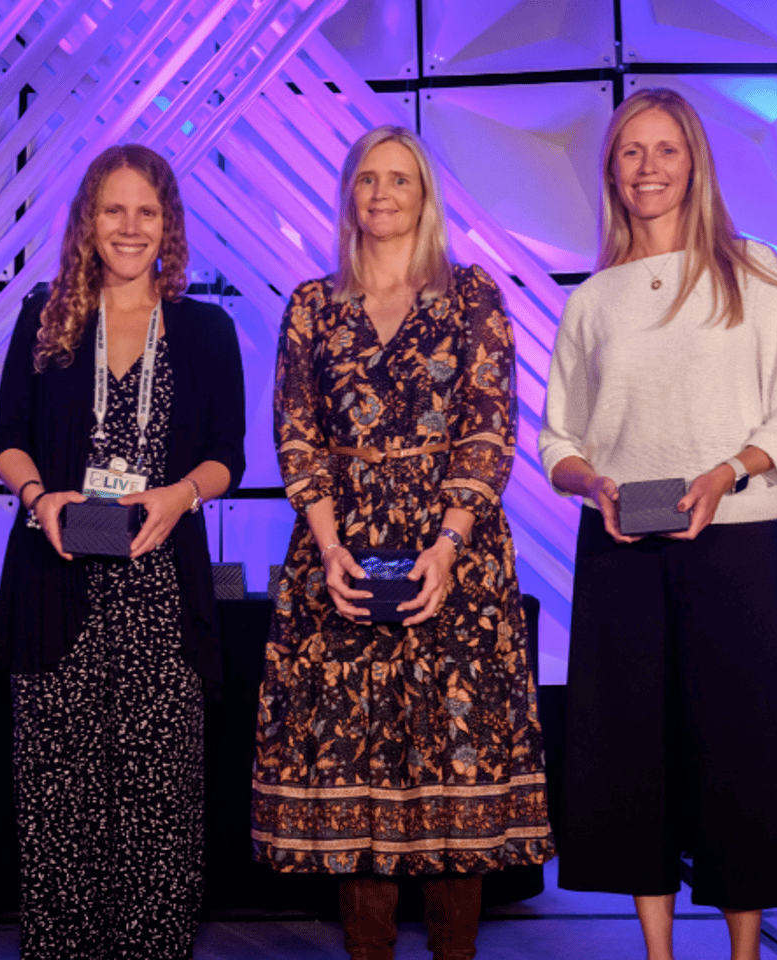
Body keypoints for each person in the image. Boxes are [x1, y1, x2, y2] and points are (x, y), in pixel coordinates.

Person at [538, 87, 777, 960]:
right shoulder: (594, 299)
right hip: (623, 544)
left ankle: (744, 952)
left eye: (665, 149)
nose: (648, 167)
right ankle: (657, 952)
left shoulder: (757, 269)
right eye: (631, 152)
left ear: (694, 162)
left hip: (731, 542)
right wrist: (596, 484)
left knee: (741, 746)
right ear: (613, 174)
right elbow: (559, 439)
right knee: (630, 747)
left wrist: (726, 472)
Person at [251, 125, 554, 960]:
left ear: (426, 197)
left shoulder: (473, 296)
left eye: (400, 180)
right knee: (361, 775)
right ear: (348, 193)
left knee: (451, 774)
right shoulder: (312, 304)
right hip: (340, 558)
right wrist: (327, 548)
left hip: (453, 562)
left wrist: (449, 543)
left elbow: (491, 430)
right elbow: (296, 433)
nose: (381, 194)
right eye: (366, 180)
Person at [0, 143, 245, 959]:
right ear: (86, 222)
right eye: (113, 210)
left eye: (146, 211)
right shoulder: (46, 318)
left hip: (162, 599)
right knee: (58, 812)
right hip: (54, 586)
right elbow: (6, 440)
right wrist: (41, 498)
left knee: (159, 817)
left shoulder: (205, 329)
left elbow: (228, 455)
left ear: (167, 223)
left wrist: (178, 495)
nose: (129, 227)